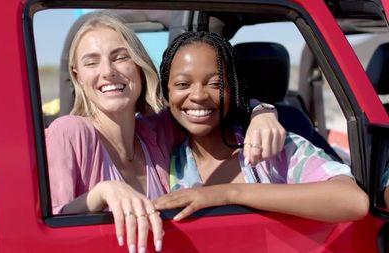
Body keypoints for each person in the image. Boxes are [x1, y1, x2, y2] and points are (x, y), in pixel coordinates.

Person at [46, 15, 285, 253]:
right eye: (92, 62)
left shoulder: (158, 131)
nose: (108, 71)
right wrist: (103, 192)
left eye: (120, 57)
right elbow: (46, 226)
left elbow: (209, 107)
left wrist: (262, 113)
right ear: (78, 77)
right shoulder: (68, 132)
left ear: (139, 68)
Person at [154, 31, 369, 223]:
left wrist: (228, 194)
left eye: (216, 84)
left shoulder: (274, 148)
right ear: (167, 92)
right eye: (182, 84)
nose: (199, 96)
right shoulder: (160, 160)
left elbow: (352, 201)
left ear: (233, 90)